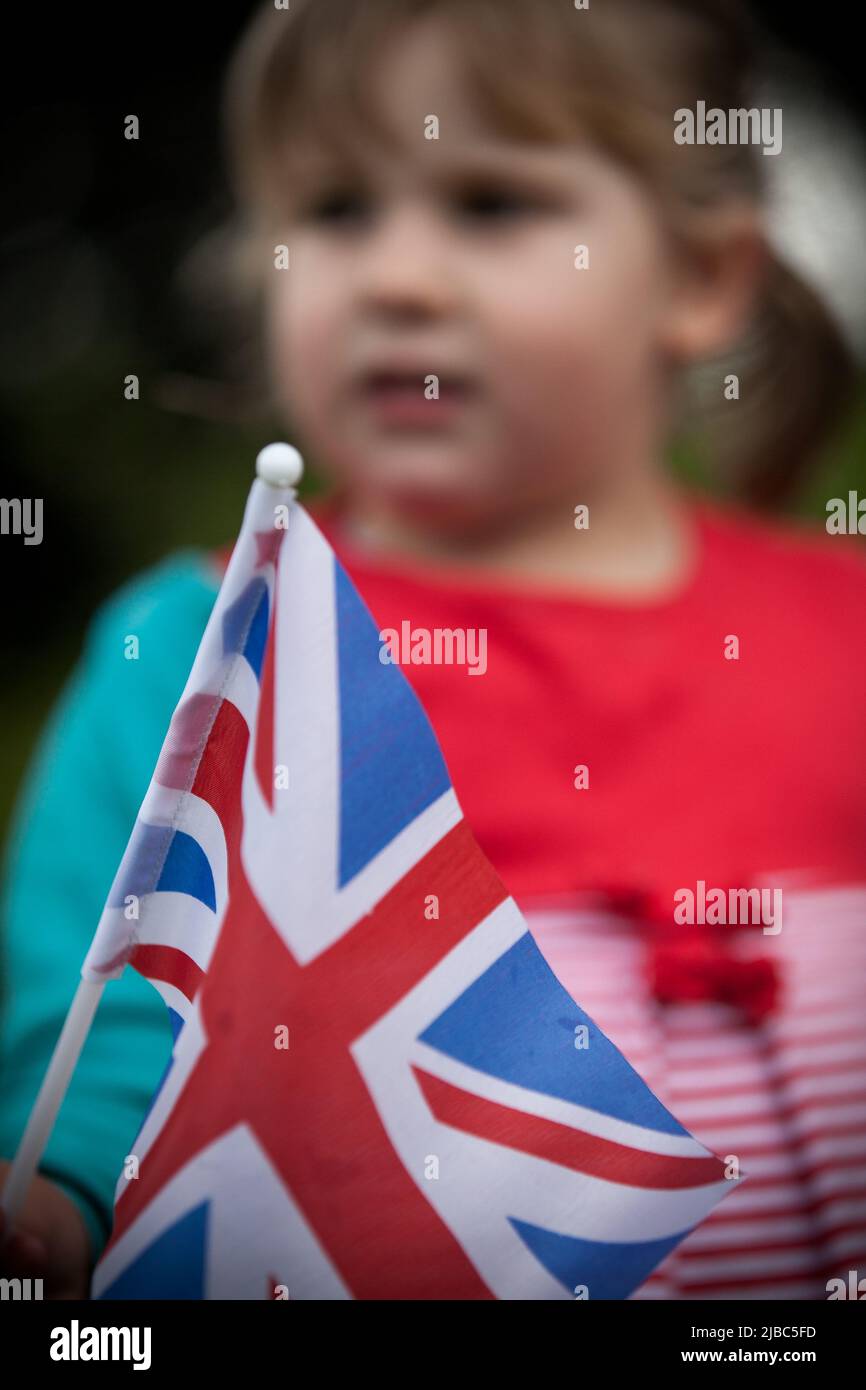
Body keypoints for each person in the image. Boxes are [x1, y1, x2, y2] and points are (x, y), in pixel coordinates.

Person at [2, 0, 865, 1300]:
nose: (396, 278)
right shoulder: (208, 648)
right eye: (336, 210)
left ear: (697, 280)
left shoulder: (841, 627)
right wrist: (56, 1206)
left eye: (489, 204)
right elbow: (114, 1016)